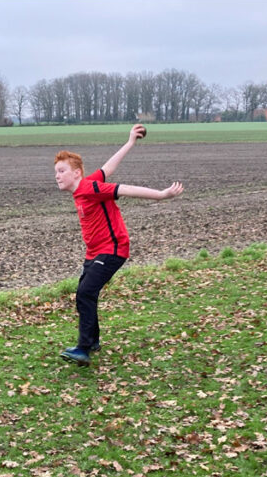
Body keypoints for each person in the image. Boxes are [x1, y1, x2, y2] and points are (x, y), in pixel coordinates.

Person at [53, 124, 184, 366]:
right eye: (56, 171)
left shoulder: (90, 188)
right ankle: (91, 341)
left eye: (62, 170)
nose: (57, 175)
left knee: (85, 293)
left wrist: (161, 195)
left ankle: (83, 349)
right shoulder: (86, 185)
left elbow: (125, 189)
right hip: (94, 252)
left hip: (112, 249)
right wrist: (130, 142)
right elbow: (108, 168)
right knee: (84, 294)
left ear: (76, 173)